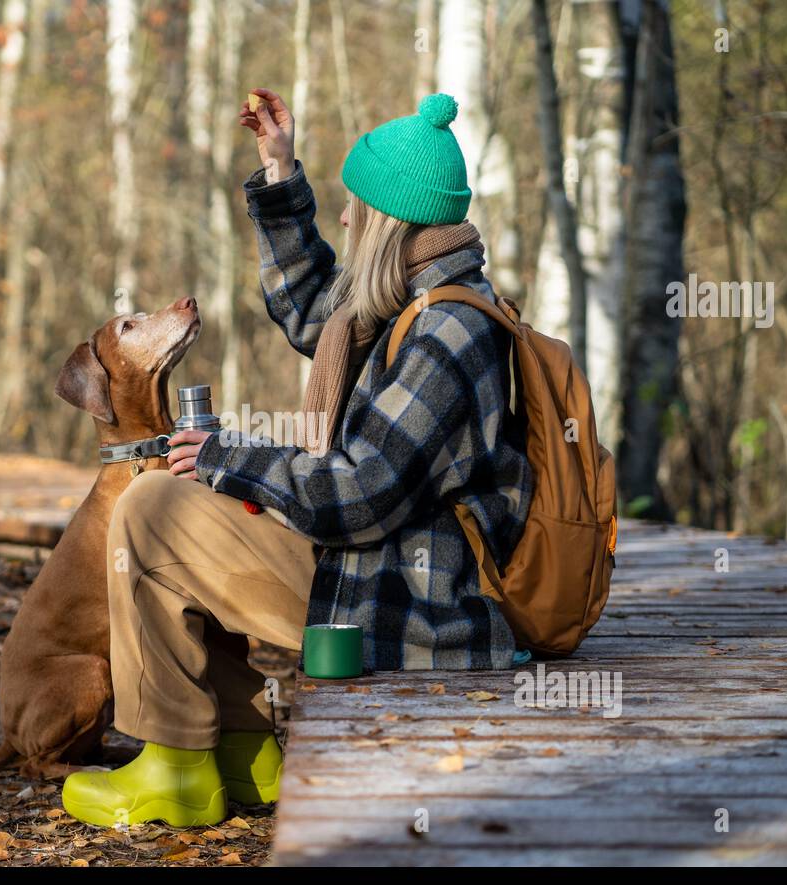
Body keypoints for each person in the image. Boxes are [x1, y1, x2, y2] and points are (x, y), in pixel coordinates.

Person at [60, 89, 533, 828]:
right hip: (377, 572)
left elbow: (360, 491)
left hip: (417, 610)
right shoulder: (414, 298)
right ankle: (245, 755)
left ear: (390, 222)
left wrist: (233, 458)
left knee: (154, 516)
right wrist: (279, 173)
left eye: (355, 206)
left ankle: (176, 767)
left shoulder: (447, 333)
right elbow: (317, 311)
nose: (344, 217)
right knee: (160, 503)